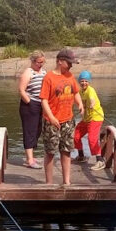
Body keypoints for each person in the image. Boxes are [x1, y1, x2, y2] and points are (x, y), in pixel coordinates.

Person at [39, 49, 84, 186]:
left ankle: (67, 182)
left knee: (66, 151)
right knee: (51, 152)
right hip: (52, 121)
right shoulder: (49, 78)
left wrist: (80, 103)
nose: (71, 66)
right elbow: (44, 100)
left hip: (68, 120)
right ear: (60, 61)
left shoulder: (70, 76)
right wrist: (51, 117)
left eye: (72, 63)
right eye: (69, 63)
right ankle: (49, 183)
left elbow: (75, 91)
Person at [17, 51, 46, 168]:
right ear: (33, 61)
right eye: (39, 62)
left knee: (38, 130)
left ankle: (32, 157)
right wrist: (29, 102)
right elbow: (21, 90)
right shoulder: (28, 72)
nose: (41, 64)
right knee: (29, 131)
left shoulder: (44, 72)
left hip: (41, 104)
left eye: (43, 62)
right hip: (29, 105)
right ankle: (30, 160)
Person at [73, 70, 106, 169]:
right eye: (82, 81)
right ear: (79, 82)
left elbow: (92, 99)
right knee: (76, 135)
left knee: (92, 139)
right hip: (86, 119)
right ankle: (81, 156)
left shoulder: (90, 90)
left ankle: (100, 161)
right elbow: (76, 101)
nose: (84, 83)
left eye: (86, 81)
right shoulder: (80, 92)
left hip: (95, 118)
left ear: (89, 82)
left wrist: (92, 104)